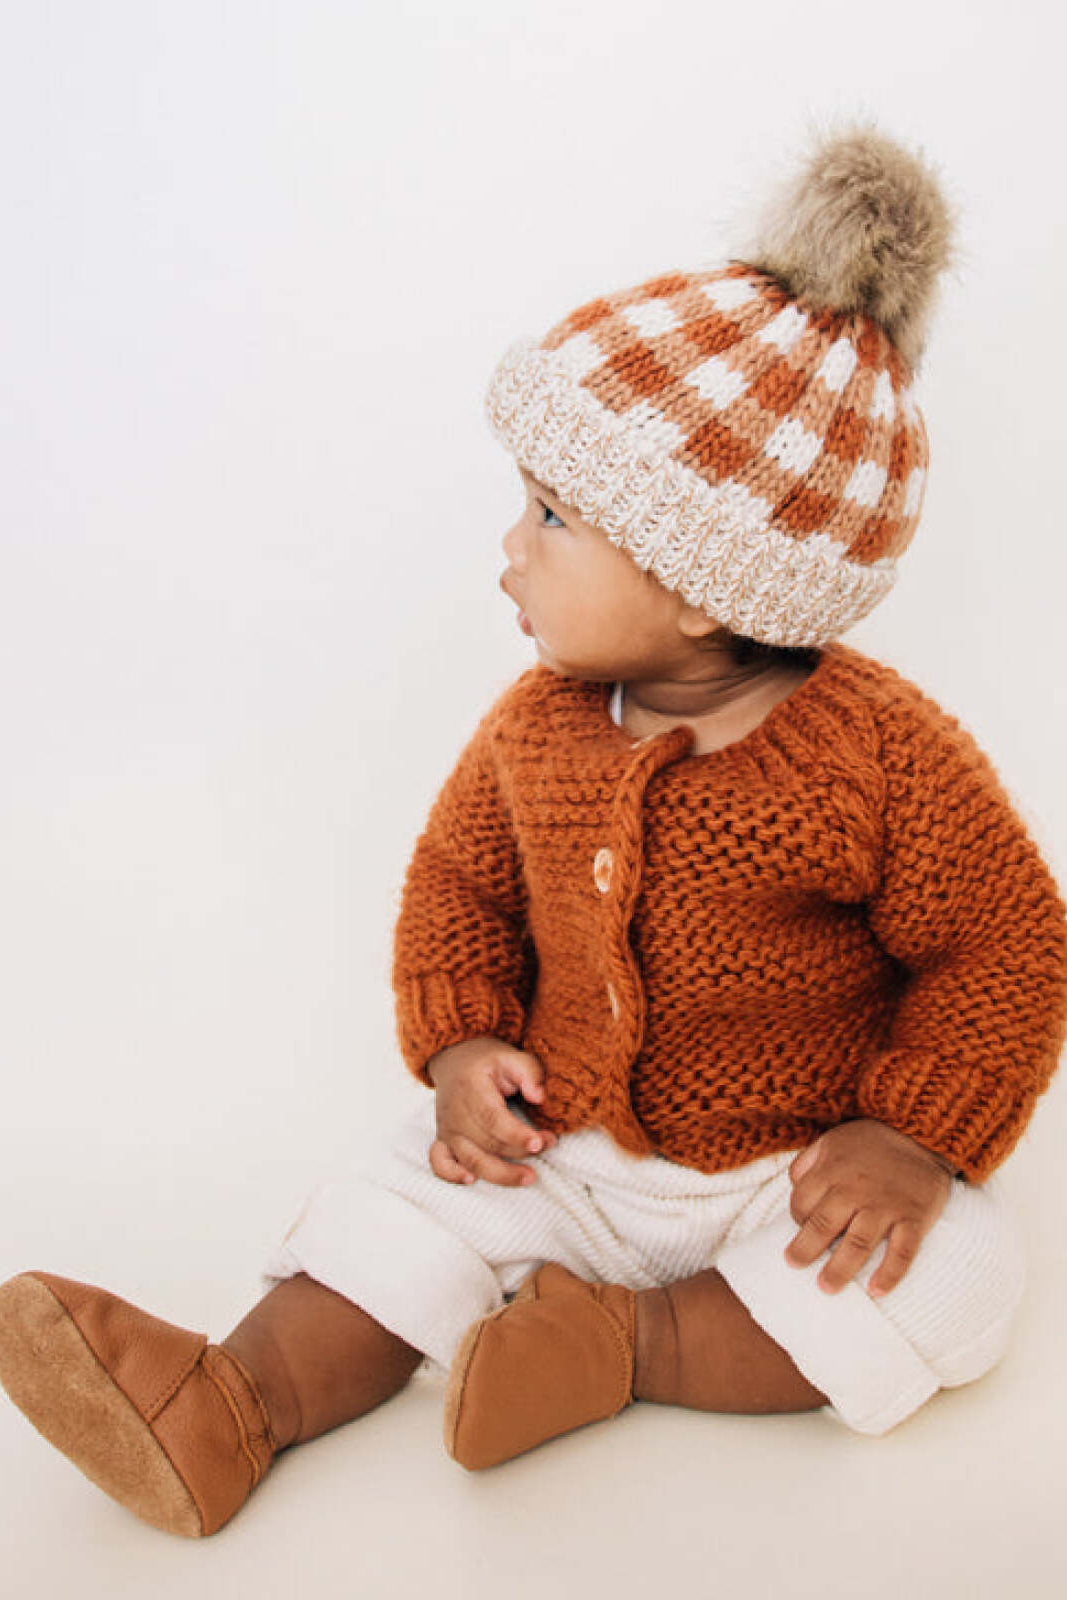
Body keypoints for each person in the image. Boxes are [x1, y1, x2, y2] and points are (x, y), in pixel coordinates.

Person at [2, 121, 1066, 1538]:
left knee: (965, 1274)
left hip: (792, 1173)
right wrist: (458, 1048)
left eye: (553, 516)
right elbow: (459, 886)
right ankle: (233, 1404)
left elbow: (1006, 942)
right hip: (557, 1149)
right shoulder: (536, 727)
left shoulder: (876, 756)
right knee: (403, 1193)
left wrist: (911, 1138)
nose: (512, 544)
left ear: (702, 584)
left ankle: (629, 1347)